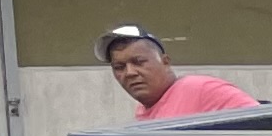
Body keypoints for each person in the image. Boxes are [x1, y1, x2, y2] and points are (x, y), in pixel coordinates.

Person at [98, 26, 259, 120]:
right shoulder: (142, 111)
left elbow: (267, 127)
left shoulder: (202, 90)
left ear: (166, 62)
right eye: (119, 67)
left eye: (139, 62)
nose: (129, 73)